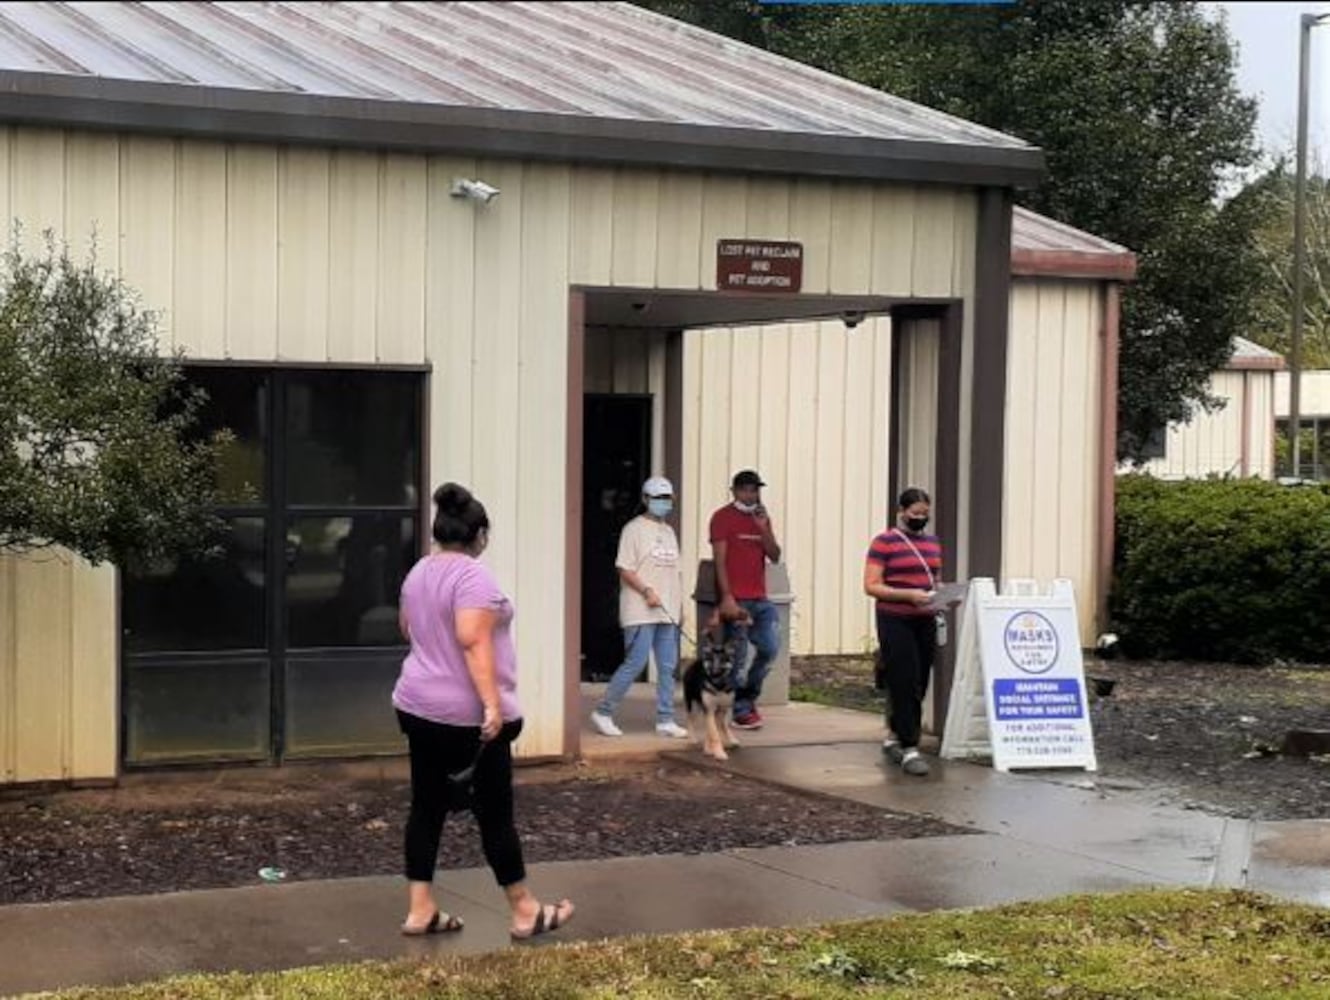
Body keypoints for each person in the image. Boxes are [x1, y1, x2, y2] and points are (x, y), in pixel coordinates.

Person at [391, 482, 574, 939]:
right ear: (480, 534)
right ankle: (525, 910)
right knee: (494, 813)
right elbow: (473, 638)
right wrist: (491, 705)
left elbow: (406, 628)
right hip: (467, 718)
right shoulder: (474, 576)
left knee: (427, 807)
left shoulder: (418, 572)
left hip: (417, 706)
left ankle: (420, 909)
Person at [590, 476, 689, 739]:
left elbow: (675, 573)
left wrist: (679, 607)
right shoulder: (633, 529)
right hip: (640, 609)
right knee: (635, 662)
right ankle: (604, 711)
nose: (662, 503)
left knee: (667, 667)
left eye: (666, 498)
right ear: (645, 499)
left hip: (667, 610)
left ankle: (665, 719)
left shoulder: (669, 532)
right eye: (657, 498)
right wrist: (646, 590)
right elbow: (624, 567)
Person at [863, 487, 944, 777]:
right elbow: (872, 585)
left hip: (925, 617)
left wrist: (942, 596)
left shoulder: (933, 543)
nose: (921, 518)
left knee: (920, 680)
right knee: (904, 677)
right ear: (901, 511)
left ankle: (895, 733)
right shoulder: (884, 543)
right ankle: (910, 747)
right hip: (895, 618)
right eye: (915, 513)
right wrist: (907, 595)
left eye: (925, 514)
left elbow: (933, 578)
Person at [708, 469, 782, 730]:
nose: (750, 495)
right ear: (735, 491)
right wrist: (726, 598)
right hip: (736, 598)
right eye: (745, 489)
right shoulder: (722, 518)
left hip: (760, 597)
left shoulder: (761, 518)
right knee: (737, 658)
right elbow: (720, 561)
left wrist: (763, 529)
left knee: (770, 648)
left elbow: (774, 555)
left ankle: (747, 697)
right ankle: (737, 710)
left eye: (755, 490)